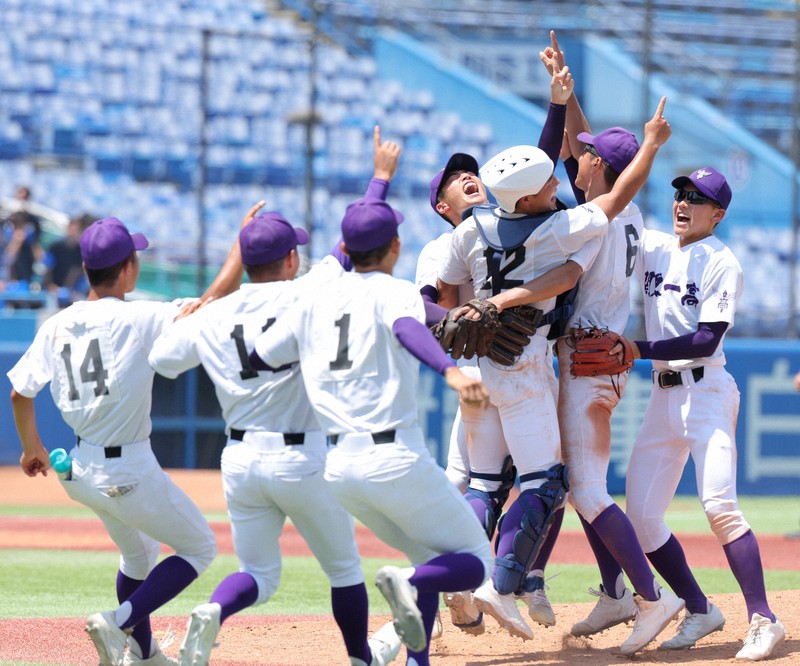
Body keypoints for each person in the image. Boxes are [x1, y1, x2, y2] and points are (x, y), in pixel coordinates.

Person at [437, 97, 681, 656]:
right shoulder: (576, 219)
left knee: (570, 488)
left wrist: (489, 302)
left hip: (586, 358)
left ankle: (639, 596)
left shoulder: (500, 225)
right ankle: (573, 588)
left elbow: (587, 219)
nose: (574, 159)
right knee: (552, 484)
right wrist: (567, 101)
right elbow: (597, 193)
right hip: (565, 357)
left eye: (585, 156)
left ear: (598, 167)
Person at [8, 209, 260, 666]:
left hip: (78, 469)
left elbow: (19, 393)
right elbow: (208, 303)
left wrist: (31, 448)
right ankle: (122, 621)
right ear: (129, 269)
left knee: (138, 555)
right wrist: (239, 248)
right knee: (199, 547)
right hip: (128, 469)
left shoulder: (55, 324)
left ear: (85, 269)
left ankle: (142, 653)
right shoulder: (140, 317)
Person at [250, 197, 494, 666]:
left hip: (339, 470)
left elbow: (261, 356)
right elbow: (408, 327)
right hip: (394, 457)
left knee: (429, 552)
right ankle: (409, 583)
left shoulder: (313, 301)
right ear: (396, 246)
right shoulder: (393, 289)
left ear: (344, 246)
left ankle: (416, 661)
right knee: (476, 562)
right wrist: (452, 372)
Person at [148, 212, 400, 666]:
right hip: (305, 456)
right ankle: (362, 659)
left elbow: (162, 359)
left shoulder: (217, 310)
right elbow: (351, 242)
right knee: (343, 570)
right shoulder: (310, 291)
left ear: (245, 262)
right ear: (289, 258)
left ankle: (213, 609)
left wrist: (206, 304)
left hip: (241, 458)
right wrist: (380, 177)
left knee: (258, 574)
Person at [419, 60, 579, 639]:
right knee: (537, 482)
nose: (467, 179)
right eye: (453, 180)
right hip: (499, 368)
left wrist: (557, 106)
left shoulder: (480, 229)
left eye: (473, 174)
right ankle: (493, 582)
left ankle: (465, 586)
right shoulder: (449, 243)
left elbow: (530, 176)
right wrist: (460, 316)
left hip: (480, 370)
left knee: (484, 486)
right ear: (440, 205)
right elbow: (428, 308)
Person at [617, 167, 786, 660]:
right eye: (680, 194)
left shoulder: (721, 260)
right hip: (662, 397)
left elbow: (708, 338)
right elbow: (603, 197)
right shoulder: (655, 245)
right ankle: (699, 607)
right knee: (642, 516)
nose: (683, 202)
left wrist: (637, 347)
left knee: (719, 507)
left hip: (707, 391)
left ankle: (763, 619)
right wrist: (567, 108)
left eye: (697, 197)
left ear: (719, 214)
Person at [44, 213, 93, 303]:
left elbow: (77, 271)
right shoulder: (55, 247)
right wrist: (51, 286)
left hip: (73, 293)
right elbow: (48, 268)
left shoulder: (82, 250)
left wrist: (69, 289)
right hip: (53, 290)